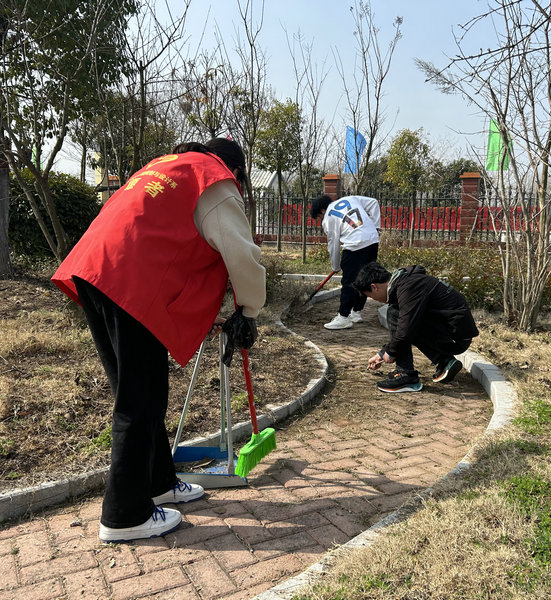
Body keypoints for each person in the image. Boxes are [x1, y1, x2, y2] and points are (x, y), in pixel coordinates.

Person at [51, 138, 266, 542]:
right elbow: (241, 253)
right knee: (139, 399)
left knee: (141, 391)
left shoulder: (166, 167)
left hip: (96, 270)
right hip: (129, 282)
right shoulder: (214, 178)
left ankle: (158, 483)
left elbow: (163, 241)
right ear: (236, 171)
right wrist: (249, 311)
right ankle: (125, 515)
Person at [353, 262, 479, 393]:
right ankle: (443, 359)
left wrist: (391, 353)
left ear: (374, 287)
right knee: (403, 317)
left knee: (395, 313)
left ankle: (405, 374)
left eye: (370, 296)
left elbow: (406, 329)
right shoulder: (407, 281)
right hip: (454, 334)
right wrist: (382, 353)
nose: (374, 299)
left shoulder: (408, 287)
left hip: (454, 339)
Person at [310, 194, 380, 329]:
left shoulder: (328, 217)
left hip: (355, 244)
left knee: (349, 282)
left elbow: (333, 244)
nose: (321, 220)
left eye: (319, 217)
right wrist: (375, 226)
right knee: (365, 278)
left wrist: (335, 266)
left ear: (322, 210)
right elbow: (373, 202)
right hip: (372, 240)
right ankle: (356, 312)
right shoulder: (350, 199)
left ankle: (343, 317)